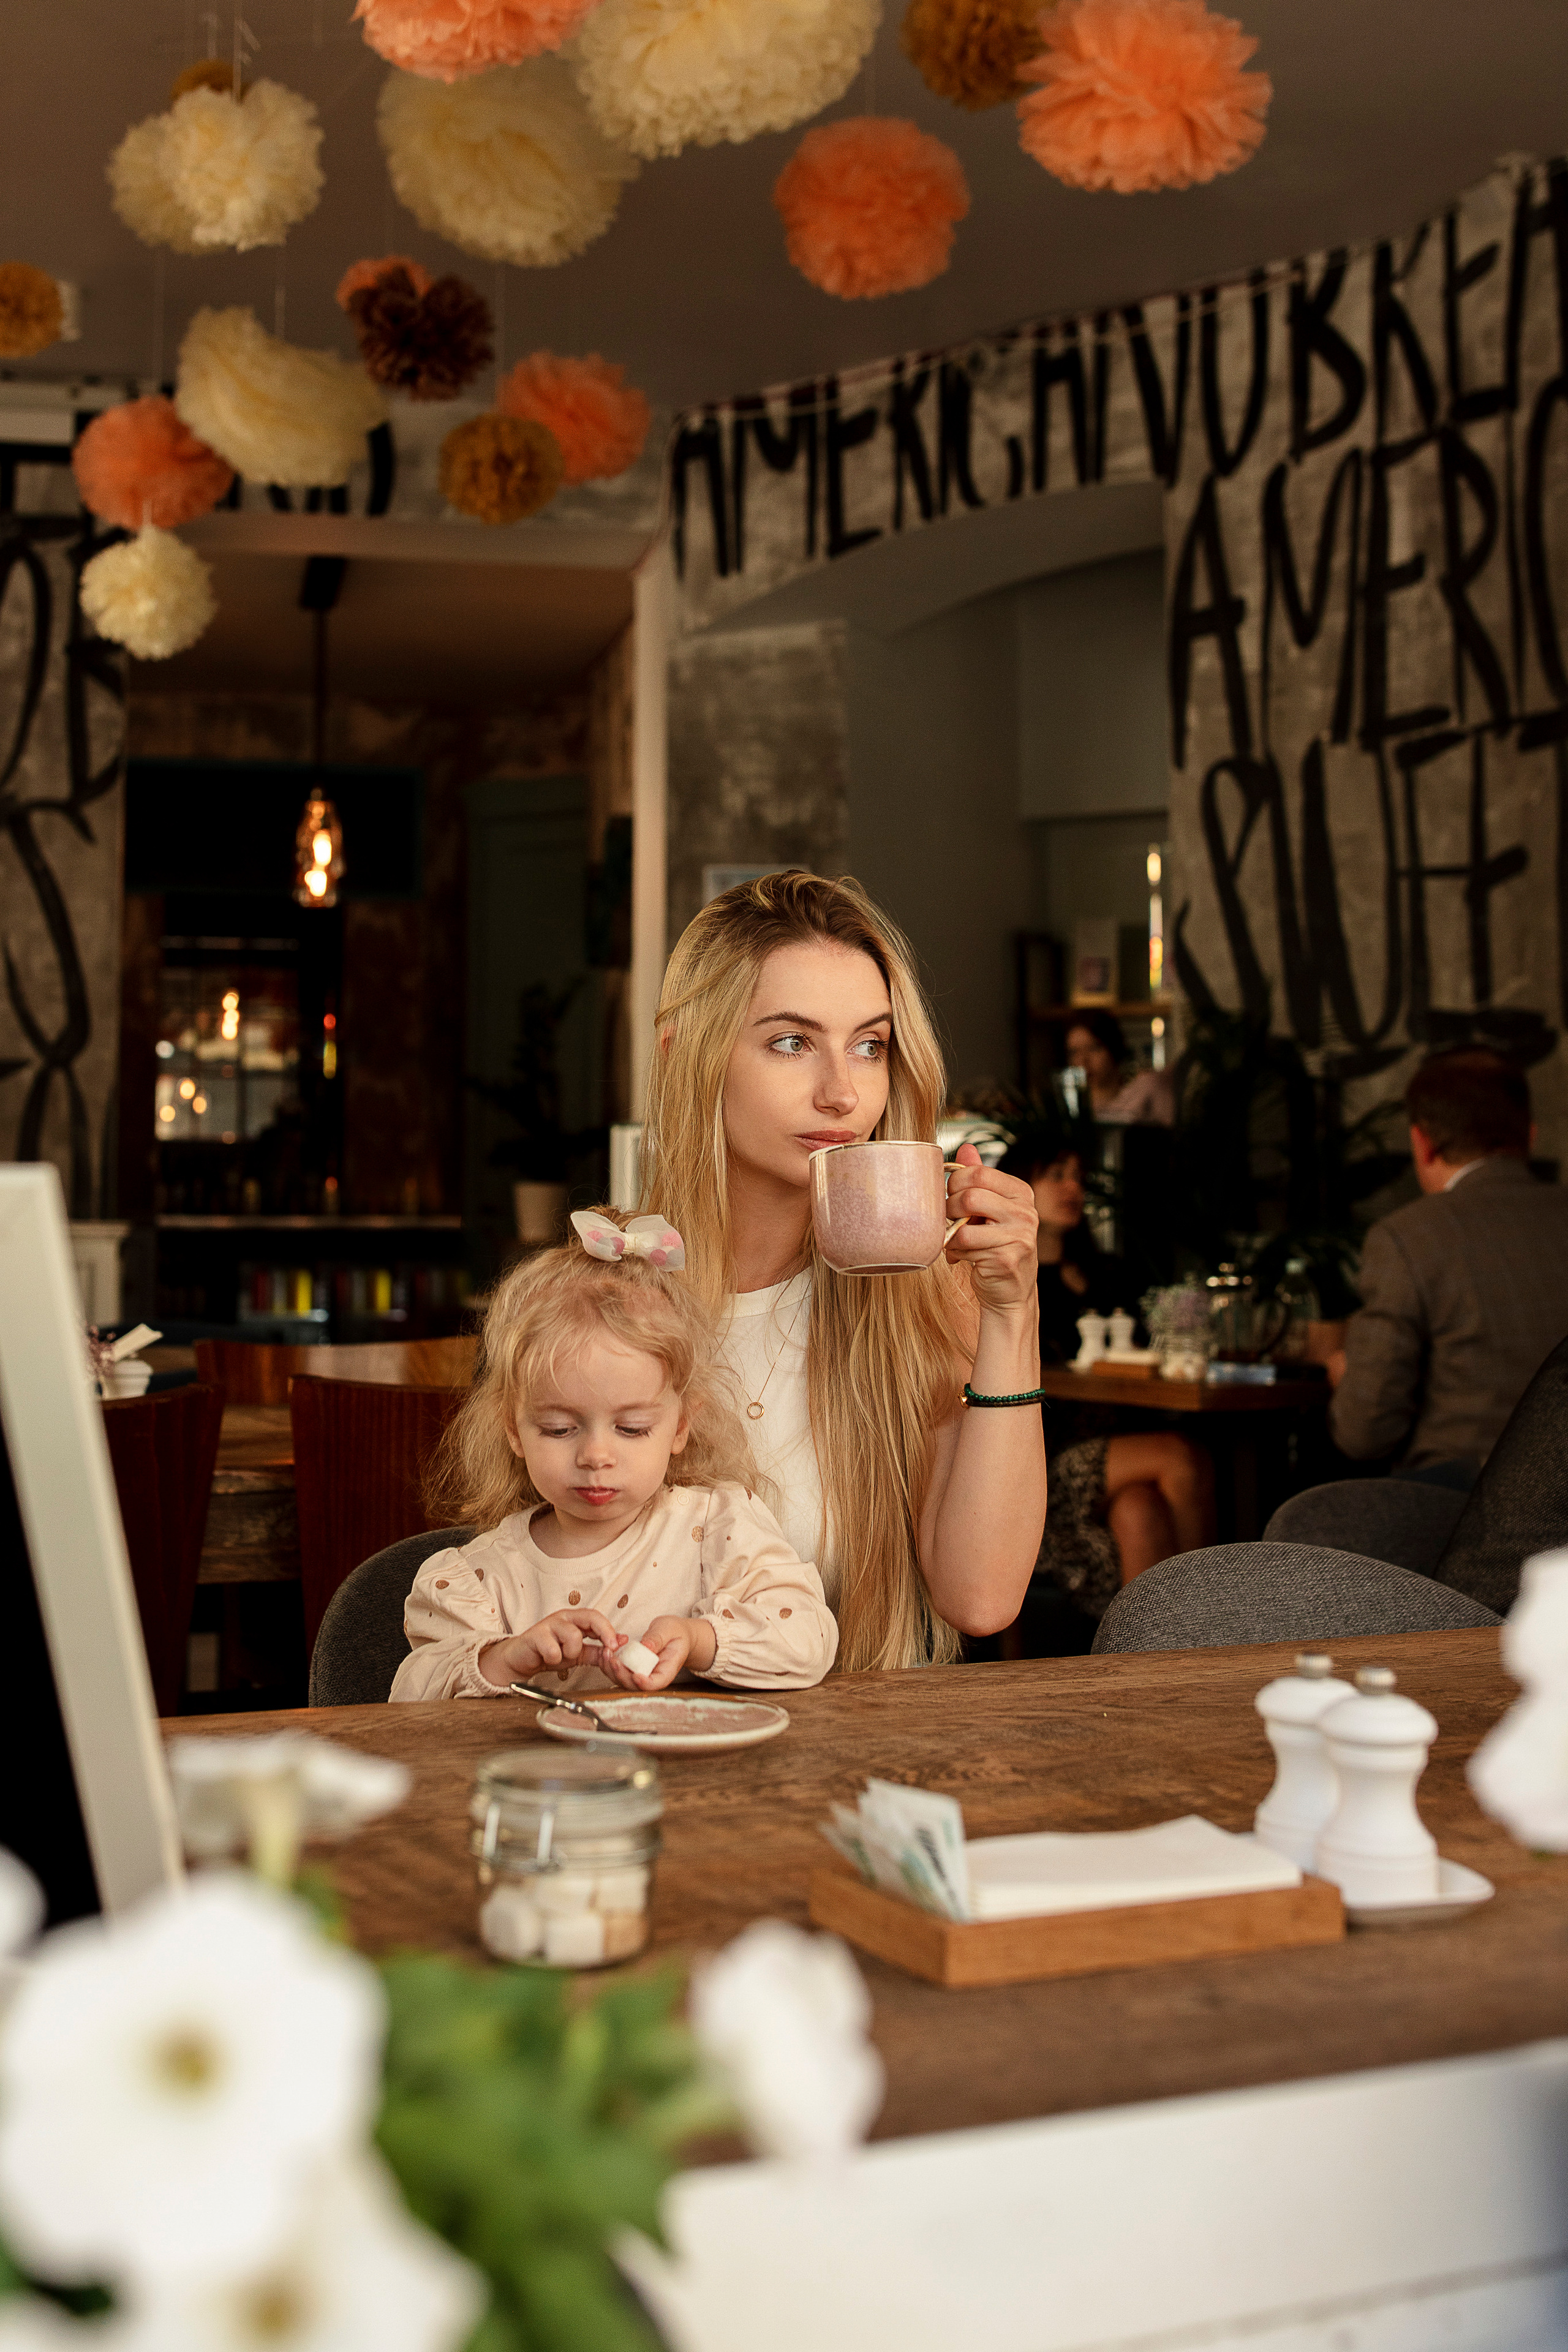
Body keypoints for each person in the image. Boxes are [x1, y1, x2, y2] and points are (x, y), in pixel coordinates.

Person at [639, 871, 1046, 1672]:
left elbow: (981, 1600)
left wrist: (1011, 1315)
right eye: (792, 1042)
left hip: (859, 1736)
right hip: (641, 1732)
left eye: (869, 1046)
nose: (843, 1093)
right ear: (686, 1055)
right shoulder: (608, 1294)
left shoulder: (927, 1300)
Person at [390, 1208, 837, 1701]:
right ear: (513, 1430)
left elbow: (808, 1640)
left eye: (631, 1428)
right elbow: (410, 1702)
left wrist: (699, 1641)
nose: (596, 1455)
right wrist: (505, 1658)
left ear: (680, 1426)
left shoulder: (718, 1529)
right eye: (559, 1429)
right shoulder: (481, 1579)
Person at [999, 1115, 1214, 1615]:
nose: (1073, 1188)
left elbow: (1142, 1352)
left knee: (1139, 1509)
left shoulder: (1107, 1274)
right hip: (1047, 1455)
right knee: (1182, 1456)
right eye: (1057, 1175)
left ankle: (1158, 1652)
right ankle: (1211, 1617)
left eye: (1078, 1176)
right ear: (1020, 1184)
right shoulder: (1004, 1277)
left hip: (1120, 1443)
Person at [1329, 1050, 1568, 1477]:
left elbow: (1364, 1433)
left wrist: (1345, 1376)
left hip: (1461, 1501)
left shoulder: (1406, 1238)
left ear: (1422, 1143)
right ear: (1529, 1136)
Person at [1063, 1009, 1174, 1126]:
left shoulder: (1144, 1092)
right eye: (1074, 1052)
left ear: (1113, 1047)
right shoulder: (1069, 1109)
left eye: (1094, 1048)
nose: (1083, 1062)